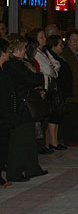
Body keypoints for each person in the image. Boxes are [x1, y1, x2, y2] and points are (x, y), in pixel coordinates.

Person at [3, 34, 48, 182]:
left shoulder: (17, 63)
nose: (24, 51)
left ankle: (32, 168)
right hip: (20, 107)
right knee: (20, 140)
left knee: (28, 138)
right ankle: (14, 173)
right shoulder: (12, 65)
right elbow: (29, 79)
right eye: (22, 48)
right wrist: (39, 77)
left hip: (23, 105)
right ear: (15, 49)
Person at [31, 28, 67, 152]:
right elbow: (47, 70)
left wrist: (52, 68)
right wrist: (52, 68)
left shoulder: (46, 51)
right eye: (41, 37)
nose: (44, 39)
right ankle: (46, 143)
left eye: (44, 37)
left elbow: (56, 64)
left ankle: (53, 141)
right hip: (46, 86)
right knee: (46, 117)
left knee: (54, 115)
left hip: (52, 86)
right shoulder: (36, 53)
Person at [45, 35, 72, 149]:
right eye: (60, 44)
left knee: (58, 116)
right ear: (53, 46)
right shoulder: (51, 56)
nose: (62, 47)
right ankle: (53, 141)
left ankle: (55, 140)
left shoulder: (58, 56)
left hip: (61, 90)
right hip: (56, 90)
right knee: (54, 116)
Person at [0, 38, 12, 187]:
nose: (9, 53)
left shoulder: (4, 69)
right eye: (7, 50)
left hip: (4, 114)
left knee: (3, 145)